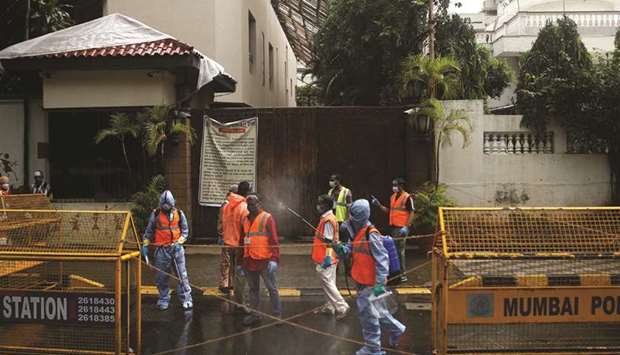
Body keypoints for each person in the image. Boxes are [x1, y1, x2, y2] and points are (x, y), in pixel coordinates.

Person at [334, 199, 406, 355]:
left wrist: (380, 283)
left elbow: (382, 260)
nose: (350, 218)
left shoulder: (371, 234)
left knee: (368, 316)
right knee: (379, 312)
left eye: (353, 215)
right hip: (361, 279)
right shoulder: (358, 231)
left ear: (360, 216)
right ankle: (397, 330)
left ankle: (373, 348)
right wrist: (340, 248)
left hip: (371, 283)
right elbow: (350, 250)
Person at [141, 190, 193, 310]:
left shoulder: (179, 214)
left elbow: (185, 231)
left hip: (177, 250)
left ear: (172, 204)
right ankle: (163, 299)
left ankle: (186, 298)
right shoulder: (156, 214)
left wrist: (179, 242)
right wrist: (145, 245)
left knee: (181, 275)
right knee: (161, 277)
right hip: (162, 250)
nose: (166, 208)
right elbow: (149, 232)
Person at [237, 194, 282, 326]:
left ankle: (277, 315)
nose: (251, 207)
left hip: (265, 261)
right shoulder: (245, 220)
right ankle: (255, 315)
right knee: (253, 289)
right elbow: (241, 242)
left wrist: (274, 259)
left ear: (259, 204)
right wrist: (240, 262)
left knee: (272, 288)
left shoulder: (267, 218)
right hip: (249, 261)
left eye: (253, 204)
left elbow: (274, 240)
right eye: (249, 204)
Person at [312, 195, 350, 319]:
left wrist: (327, 259)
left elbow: (328, 241)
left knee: (327, 282)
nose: (318, 206)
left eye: (320, 203)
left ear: (326, 206)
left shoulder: (327, 220)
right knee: (329, 281)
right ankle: (330, 306)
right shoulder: (329, 217)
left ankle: (341, 306)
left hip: (326, 257)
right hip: (329, 256)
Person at [371, 178, 414, 283]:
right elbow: (389, 211)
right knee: (394, 250)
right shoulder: (393, 197)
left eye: (396, 185)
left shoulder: (407, 197)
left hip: (401, 228)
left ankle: (402, 274)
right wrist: (379, 205)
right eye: (393, 185)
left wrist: (407, 227)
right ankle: (396, 273)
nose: (394, 187)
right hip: (393, 227)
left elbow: (412, 212)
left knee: (400, 251)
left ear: (401, 186)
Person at [219, 181, 250, 303]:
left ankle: (232, 294)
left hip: (227, 241)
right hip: (239, 244)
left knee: (229, 267)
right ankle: (240, 300)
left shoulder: (226, 206)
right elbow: (246, 228)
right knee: (240, 272)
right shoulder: (244, 207)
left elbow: (223, 223)